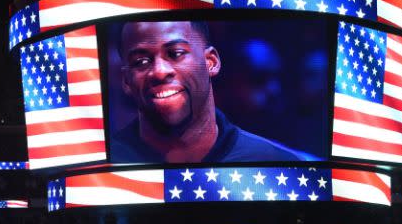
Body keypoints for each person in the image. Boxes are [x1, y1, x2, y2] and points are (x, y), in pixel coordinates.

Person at [110, 21, 309, 164]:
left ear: (211, 62)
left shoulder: (279, 164)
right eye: (141, 62)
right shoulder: (102, 168)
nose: (160, 71)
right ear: (126, 81)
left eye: (176, 54)